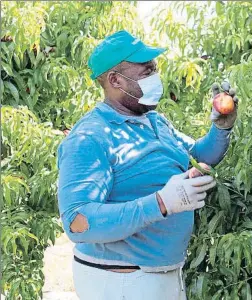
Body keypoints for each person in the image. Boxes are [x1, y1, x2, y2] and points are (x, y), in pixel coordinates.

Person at [56, 30, 238, 300]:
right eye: (146, 71)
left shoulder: (155, 122)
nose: (155, 77)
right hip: (120, 281)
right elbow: (78, 222)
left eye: (155, 69)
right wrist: (162, 203)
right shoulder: (91, 137)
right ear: (115, 80)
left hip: (162, 275)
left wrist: (221, 128)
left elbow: (199, 154)